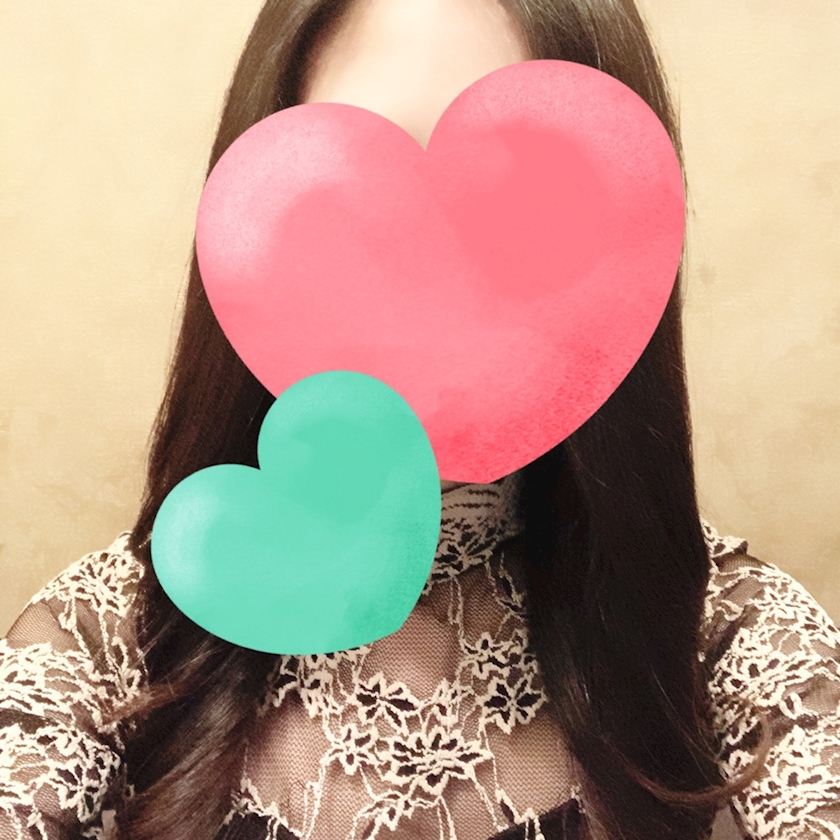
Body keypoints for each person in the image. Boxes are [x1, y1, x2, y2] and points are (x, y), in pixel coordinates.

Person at [1, 1, 838, 839]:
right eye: (358, 197)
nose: (434, 277)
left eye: (520, 203)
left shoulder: (731, 632)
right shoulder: (106, 637)